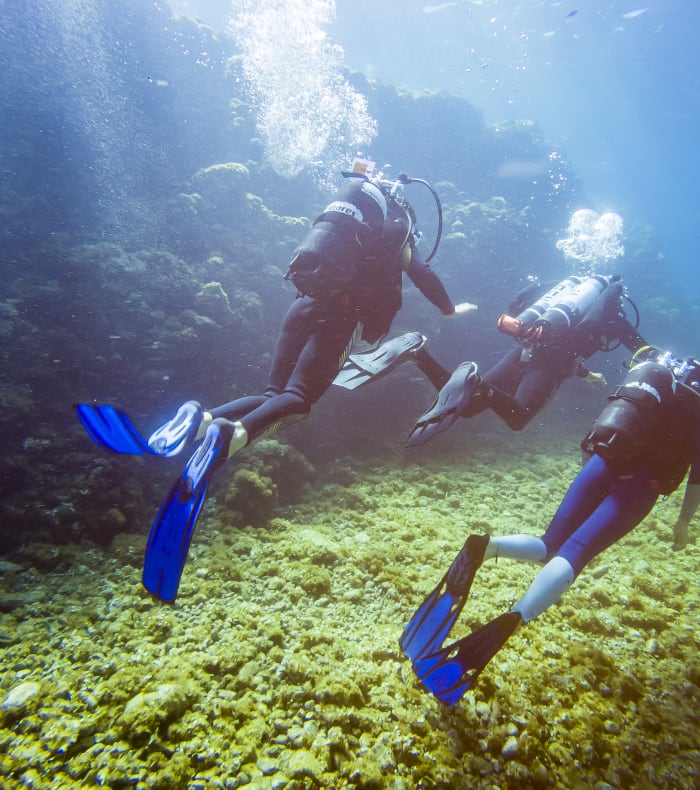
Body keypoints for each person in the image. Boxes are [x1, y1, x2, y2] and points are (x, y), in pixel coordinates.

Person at [75, 158, 477, 601]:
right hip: (338, 317)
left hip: (301, 304)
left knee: (273, 393)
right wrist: (448, 310)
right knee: (300, 401)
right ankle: (232, 437)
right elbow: (421, 274)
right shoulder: (396, 228)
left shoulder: (345, 215)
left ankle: (201, 418)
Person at [399, 347, 700, 706]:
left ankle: (486, 546)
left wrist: (598, 471)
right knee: (575, 553)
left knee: (549, 543)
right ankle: (515, 617)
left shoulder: (660, 377)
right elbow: (697, 474)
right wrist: (683, 520)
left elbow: (610, 425)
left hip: (605, 459)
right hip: (643, 483)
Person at [335, 274, 648, 445]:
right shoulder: (612, 316)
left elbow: (521, 303)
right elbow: (644, 352)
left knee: (468, 407)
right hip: (549, 365)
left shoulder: (564, 296)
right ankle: (474, 382)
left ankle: (417, 352)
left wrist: (584, 374)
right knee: (517, 417)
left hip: (523, 349)